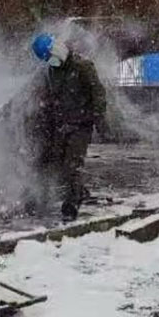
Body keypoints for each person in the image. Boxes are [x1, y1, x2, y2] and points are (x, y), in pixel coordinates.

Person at [29, 32, 106, 221]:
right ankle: (44, 197)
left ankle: (72, 204)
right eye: (46, 59)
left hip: (80, 125)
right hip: (61, 125)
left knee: (72, 165)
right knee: (50, 161)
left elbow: (98, 93)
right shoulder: (52, 72)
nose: (50, 61)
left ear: (57, 49)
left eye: (50, 56)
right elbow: (49, 98)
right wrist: (43, 119)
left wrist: (99, 120)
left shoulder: (82, 66)